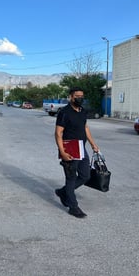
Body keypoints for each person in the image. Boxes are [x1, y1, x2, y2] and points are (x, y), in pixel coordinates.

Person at [54, 87, 99, 218]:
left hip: (82, 148)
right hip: (70, 149)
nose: (80, 98)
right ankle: (73, 207)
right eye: (77, 96)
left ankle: (63, 192)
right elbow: (58, 133)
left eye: (82, 96)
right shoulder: (64, 112)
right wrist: (62, 152)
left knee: (86, 176)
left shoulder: (83, 111)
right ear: (71, 97)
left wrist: (93, 144)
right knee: (71, 178)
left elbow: (85, 128)